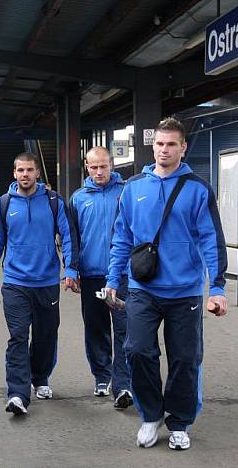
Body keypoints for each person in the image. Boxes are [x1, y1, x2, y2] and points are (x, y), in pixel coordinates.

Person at [104, 118, 228, 451]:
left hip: (185, 292)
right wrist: (113, 278)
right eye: (159, 143)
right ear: (153, 146)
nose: (164, 150)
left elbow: (211, 240)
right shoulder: (133, 188)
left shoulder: (198, 189)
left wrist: (216, 289)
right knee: (137, 349)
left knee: (185, 359)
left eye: (171, 144)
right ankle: (150, 414)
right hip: (143, 288)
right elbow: (122, 238)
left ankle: (179, 421)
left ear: (183, 147)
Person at [0, 152, 78, 416]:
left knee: (46, 335)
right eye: (20, 170)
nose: (25, 175)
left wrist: (70, 268)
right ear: (14, 173)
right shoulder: (4, 205)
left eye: (30, 170)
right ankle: (17, 394)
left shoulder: (53, 202)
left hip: (47, 282)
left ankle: (41, 377)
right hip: (15, 283)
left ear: (38, 173)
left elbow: (68, 236)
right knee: (18, 336)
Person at [69, 146, 132, 409]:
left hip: (123, 277)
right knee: (96, 329)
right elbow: (73, 239)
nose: (99, 171)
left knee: (125, 330)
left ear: (112, 165)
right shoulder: (78, 198)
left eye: (103, 166)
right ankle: (102, 376)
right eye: (94, 167)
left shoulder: (126, 193)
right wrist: (72, 270)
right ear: (87, 167)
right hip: (92, 276)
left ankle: (123, 384)